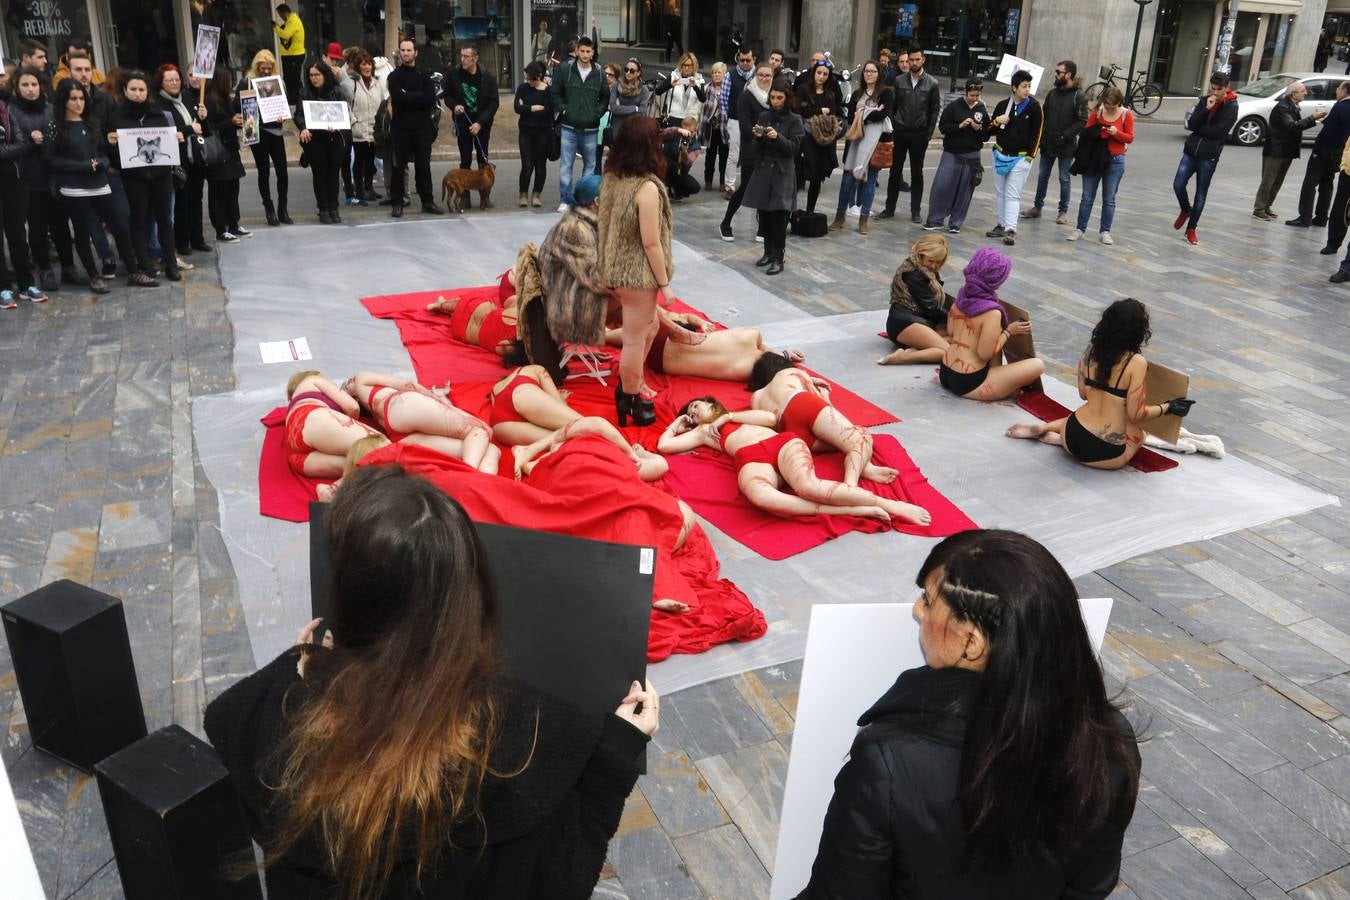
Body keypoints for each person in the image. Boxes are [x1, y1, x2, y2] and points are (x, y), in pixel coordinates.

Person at [204, 464, 656, 897]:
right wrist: (615, 755)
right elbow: (557, 880)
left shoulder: (262, 719)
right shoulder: (523, 749)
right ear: (469, 596)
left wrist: (301, 669)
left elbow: (243, 725)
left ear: (349, 599)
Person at [797, 529, 1140, 898]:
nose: (916, 610)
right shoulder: (1111, 739)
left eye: (928, 602)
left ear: (971, 643)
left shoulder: (889, 764)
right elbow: (1090, 887)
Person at [659, 397, 930, 524]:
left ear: (712, 403)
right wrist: (677, 422)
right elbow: (664, 445)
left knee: (808, 486)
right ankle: (851, 510)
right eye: (690, 413)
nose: (693, 412)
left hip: (781, 444)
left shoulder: (735, 414)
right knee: (761, 497)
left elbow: (770, 418)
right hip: (750, 458)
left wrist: (728, 417)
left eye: (695, 406)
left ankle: (889, 505)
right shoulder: (703, 432)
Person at [1008, 299, 1193, 469]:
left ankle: (1046, 428)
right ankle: (1055, 437)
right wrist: (1168, 407)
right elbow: (1136, 414)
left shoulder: (1090, 351)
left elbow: (1083, 394)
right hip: (1103, 451)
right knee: (1139, 432)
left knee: (1088, 416)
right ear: (1138, 331)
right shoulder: (1136, 362)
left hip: (1072, 433)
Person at [597, 116, 674, 426]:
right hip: (637, 275)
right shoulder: (647, 188)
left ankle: (629, 391)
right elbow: (651, 243)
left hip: (613, 268)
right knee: (634, 340)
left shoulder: (612, 178)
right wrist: (664, 283)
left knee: (646, 329)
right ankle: (629, 398)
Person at [486, 364, 667, 478]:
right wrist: (560, 400)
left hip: (500, 425)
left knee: (565, 439)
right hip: (521, 394)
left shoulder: (495, 391)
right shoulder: (531, 369)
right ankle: (627, 454)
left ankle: (533, 460)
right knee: (583, 427)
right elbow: (557, 402)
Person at [748, 352, 896, 487]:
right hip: (801, 403)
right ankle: (851, 484)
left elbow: (765, 421)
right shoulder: (792, 372)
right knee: (860, 436)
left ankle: (865, 467)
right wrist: (825, 397)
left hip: (789, 430)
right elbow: (820, 403)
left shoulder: (756, 397)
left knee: (841, 442)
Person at [44, 78, 136, 292]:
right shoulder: (56, 126)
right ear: (63, 101)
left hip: (100, 183)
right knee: (82, 232)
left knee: (120, 226)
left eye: (81, 98)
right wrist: (82, 166)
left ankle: (134, 270)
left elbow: (103, 152)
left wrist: (101, 163)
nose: (78, 103)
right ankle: (94, 275)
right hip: (74, 187)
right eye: (73, 99)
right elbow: (51, 160)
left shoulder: (91, 122)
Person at [939, 247, 1043, 401]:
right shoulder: (992, 313)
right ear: (997, 281)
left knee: (992, 338)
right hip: (968, 382)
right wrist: (1008, 332)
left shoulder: (961, 297)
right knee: (1038, 365)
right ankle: (1003, 385)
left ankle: (1000, 379)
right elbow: (985, 354)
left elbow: (950, 331)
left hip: (946, 370)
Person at [342, 371, 499, 474]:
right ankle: (471, 473)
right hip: (401, 407)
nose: (348, 381)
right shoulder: (360, 379)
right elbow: (409, 385)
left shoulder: (370, 414)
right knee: (480, 430)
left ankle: (479, 480)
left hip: (398, 434)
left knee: (491, 450)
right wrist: (453, 409)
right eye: (345, 385)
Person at [107, 70, 181, 282]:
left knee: (165, 220)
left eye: (141, 89)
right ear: (125, 90)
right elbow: (110, 149)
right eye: (133, 89)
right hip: (134, 177)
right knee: (138, 222)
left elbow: (168, 141)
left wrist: (176, 137)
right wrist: (111, 143)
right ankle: (145, 265)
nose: (137, 93)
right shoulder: (116, 117)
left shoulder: (159, 115)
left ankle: (171, 263)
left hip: (161, 175)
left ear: (148, 91)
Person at [13, 68, 77, 291]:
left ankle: (69, 268)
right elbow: (11, 143)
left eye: (34, 85)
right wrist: (29, 141)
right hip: (29, 179)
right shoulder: (12, 112)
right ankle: (45, 269)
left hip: (55, 176)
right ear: (17, 88)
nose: (31, 89)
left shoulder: (51, 110)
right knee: (38, 228)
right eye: (25, 85)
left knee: (61, 226)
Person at [744, 79, 803, 275]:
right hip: (763, 171)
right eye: (773, 97)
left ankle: (778, 257)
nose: (775, 101)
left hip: (782, 173)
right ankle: (768, 253)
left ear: (787, 98)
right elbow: (755, 148)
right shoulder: (764, 116)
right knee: (764, 215)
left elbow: (793, 149)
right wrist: (758, 137)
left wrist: (777, 137)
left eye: (780, 98)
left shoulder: (795, 120)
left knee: (779, 217)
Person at [1172, 71, 1238, 245]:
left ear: (1227, 88)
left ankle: (1191, 229)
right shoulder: (1204, 101)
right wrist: (1206, 109)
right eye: (1213, 88)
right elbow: (1192, 124)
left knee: (1200, 195)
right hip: (1191, 151)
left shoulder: (1231, 107)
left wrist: (1200, 129)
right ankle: (1186, 210)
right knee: (1178, 184)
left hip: (1209, 156)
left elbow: (1218, 132)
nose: (1215, 92)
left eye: (1219, 89)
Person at [154, 64, 211, 258]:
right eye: (169, 80)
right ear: (161, 82)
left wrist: (203, 117)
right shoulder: (159, 104)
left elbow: (200, 128)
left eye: (177, 79)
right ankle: (183, 241)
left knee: (196, 199)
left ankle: (198, 238)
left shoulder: (187, 97)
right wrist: (189, 129)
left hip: (194, 156)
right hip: (176, 160)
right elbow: (166, 132)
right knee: (181, 202)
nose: (174, 83)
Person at [829, 61, 892, 236]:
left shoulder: (886, 93)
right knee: (847, 181)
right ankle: (840, 216)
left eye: (873, 71)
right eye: (866, 71)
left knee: (870, 181)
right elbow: (850, 116)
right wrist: (871, 111)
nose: (869, 74)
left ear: (879, 74)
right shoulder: (857, 93)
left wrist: (863, 113)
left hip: (875, 143)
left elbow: (883, 114)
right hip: (855, 141)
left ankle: (863, 219)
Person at [879, 46, 939, 224]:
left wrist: (928, 135)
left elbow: (934, 110)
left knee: (917, 173)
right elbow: (893, 106)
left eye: (916, 59)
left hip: (919, 134)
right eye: (910, 60)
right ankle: (889, 208)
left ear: (923, 60)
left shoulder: (932, 83)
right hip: (900, 132)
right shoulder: (899, 81)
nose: (913, 63)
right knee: (894, 172)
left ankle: (915, 211)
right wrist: (892, 128)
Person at [1068, 85, 1133, 245]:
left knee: (1109, 198)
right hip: (1094, 158)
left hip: (1115, 160)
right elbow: (1086, 132)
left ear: (1119, 102)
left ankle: (1105, 231)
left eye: (1112, 105)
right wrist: (1100, 131)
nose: (1109, 108)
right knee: (1087, 197)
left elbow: (1130, 137)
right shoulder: (1098, 112)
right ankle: (1080, 229)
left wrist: (1116, 133)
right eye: (1106, 104)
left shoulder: (1126, 114)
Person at [1024, 60, 1087, 225]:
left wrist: (1065, 136)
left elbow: (1082, 121)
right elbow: (1043, 116)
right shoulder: (1052, 94)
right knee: (1042, 176)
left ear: (1069, 75)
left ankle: (1062, 211)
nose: (1056, 74)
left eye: (1059, 72)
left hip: (1066, 146)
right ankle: (1037, 207)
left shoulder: (1078, 95)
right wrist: (1040, 137)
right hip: (1048, 143)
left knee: (1064, 178)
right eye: (1056, 71)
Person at [386, 39, 443, 218]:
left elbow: (430, 99)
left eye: (409, 50)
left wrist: (408, 96)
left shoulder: (424, 75)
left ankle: (427, 201)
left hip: (422, 128)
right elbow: (398, 98)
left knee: (423, 166)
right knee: (398, 167)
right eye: (402, 50)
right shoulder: (394, 77)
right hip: (400, 129)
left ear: (415, 53)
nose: (405, 53)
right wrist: (417, 97)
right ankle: (397, 203)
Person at [923, 78, 988, 234]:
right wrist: (959, 126)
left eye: (977, 96)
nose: (974, 98)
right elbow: (943, 127)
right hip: (951, 152)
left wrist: (979, 128)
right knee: (942, 186)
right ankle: (935, 219)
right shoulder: (954, 106)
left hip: (972, 155)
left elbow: (986, 135)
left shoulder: (982, 109)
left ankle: (956, 222)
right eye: (972, 95)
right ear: (965, 92)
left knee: (965, 190)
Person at [985, 70, 1042, 247]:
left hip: (1021, 158)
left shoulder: (1034, 107)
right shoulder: (1003, 105)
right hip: (1000, 154)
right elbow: (989, 131)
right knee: (1000, 192)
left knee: (1012, 195)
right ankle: (1001, 224)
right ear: (1014, 88)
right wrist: (997, 121)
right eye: (1024, 86)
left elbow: (1037, 133)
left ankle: (1010, 229)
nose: (1027, 90)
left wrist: (1030, 157)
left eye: (1029, 86)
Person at [551, 35, 607, 212]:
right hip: (569, 126)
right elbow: (555, 92)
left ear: (593, 52)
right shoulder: (565, 69)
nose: (584, 54)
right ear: (576, 51)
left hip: (591, 128)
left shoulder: (599, 72)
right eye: (582, 51)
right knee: (566, 165)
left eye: (588, 51)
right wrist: (564, 110)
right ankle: (565, 200)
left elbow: (605, 97)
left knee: (590, 165)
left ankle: (585, 201)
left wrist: (597, 113)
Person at [718, 63, 772, 242]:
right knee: (745, 189)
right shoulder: (746, 96)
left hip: (769, 149)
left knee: (765, 189)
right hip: (751, 149)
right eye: (761, 75)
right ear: (755, 76)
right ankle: (725, 223)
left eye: (768, 75)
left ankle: (762, 228)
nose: (764, 78)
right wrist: (763, 132)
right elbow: (745, 127)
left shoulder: (774, 96)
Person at [880, 234, 954, 366]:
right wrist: (954, 318)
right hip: (904, 323)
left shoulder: (921, 268)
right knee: (948, 352)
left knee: (957, 339)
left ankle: (916, 350)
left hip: (916, 320)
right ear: (921, 254)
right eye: (931, 260)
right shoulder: (914, 273)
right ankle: (903, 357)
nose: (934, 265)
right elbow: (931, 306)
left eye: (938, 262)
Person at [1254, 81, 1322, 221]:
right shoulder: (1283, 107)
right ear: (1293, 94)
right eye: (1302, 91)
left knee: (1277, 181)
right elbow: (1292, 126)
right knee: (1268, 181)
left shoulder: (1292, 105)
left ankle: (1267, 206)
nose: (1305, 93)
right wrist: (1312, 118)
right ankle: (1259, 209)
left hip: (1286, 151)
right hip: (1276, 151)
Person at [1288, 79, 1350, 228]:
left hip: (1325, 151)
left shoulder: (1340, 106)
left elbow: (1327, 131)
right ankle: (1322, 217)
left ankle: (1305, 217)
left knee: (1310, 184)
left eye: (1339, 88)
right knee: (1327, 184)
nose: (1336, 91)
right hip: (1340, 152)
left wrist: (1316, 150)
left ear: (1344, 91)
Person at [296, 58, 350, 224]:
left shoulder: (337, 92)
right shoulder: (304, 93)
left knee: (333, 173)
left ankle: (334, 207)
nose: (314, 78)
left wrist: (338, 126)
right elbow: (299, 114)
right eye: (311, 75)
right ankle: (323, 208)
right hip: (314, 139)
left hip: (335, 137)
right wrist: (303, 128)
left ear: (325, 75)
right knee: (319, 173)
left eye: (317, 75)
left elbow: (345, 114)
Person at [242, 51, 291, 226]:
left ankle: (283, 208)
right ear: (257, 67)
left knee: (282, 171)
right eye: (263, 68)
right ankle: (269, 209)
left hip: (275, 130)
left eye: (269, 68)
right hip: (257, 130)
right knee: (264, 172)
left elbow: (284, 104)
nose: (266, 72)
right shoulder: (247, 82)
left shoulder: (279, 82)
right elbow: (239, 106)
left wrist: (282, 116)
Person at [202, 66, 249, 243]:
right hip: (217, 152)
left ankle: (233, 223)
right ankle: (221, 229)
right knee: (219, 192)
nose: (230, 83)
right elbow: (210, 128)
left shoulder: (225, 99)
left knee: (232, 189)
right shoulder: (209, 101)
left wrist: (237, 122)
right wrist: (231, 121)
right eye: (228, 80)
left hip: (230, 150)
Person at [445, 45, 498, 190]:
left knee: (483, 160)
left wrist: (480, 123)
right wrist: (454, 106)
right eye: (461, 56)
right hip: (463, 123)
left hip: (482, 124)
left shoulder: (487, 76)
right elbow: (447, 95)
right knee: (465, 160)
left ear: (475, 58)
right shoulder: (454, 73)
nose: (462, 59)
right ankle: (464, 194)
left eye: (466, 57)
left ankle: (484, 196)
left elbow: (494, 103)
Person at [795, 60, 843, 215]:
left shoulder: (830, 92)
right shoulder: (803, 89)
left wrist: (818, 111)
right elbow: (798, 110)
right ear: (814, 73)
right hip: (806, 136)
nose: (821, 77)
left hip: (823, 139)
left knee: (817, 178)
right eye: (819, 73)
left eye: (825, 74)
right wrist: (819, 110)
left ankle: (810, 212)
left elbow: (834, 109)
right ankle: (790, 211)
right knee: (798, 175)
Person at [346, 49, 386, 204]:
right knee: (359, 161)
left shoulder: (378, 83)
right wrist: (353, 121)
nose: (367, 67)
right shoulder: (352, 83)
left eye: (369, 64)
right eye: (363, 64)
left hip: (373, 129)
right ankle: (360, 189)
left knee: (370, 162)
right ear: (358, 66)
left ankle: (369, 188)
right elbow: (346, 104)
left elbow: (382, 104)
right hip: (359, 128)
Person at [514, 61, 552, 208]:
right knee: (527, 165)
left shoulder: (548, 91)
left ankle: (537, 194)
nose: (529, 81)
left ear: (540, 76)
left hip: (543, 132)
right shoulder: (522, 88)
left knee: (540, 165)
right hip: (526, 131)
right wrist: (533, 108)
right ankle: (523, 194)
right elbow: (517, 108)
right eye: (528, 78)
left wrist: (526, 107)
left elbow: (548, 111)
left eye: (532, 79)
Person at [722, 49, 756, 194]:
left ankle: (750, 186)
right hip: (735, 120)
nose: (745, 63)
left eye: (748, 60)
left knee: (752, 154)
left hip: (754, 121)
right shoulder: (730, 75)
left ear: (754, 59)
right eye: (742, 60)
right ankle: (730, 186)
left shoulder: (758, 75)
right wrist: (727, 119)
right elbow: (724, 99)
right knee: (734, 155)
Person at [607, 58, 650, 149]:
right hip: (618, 126)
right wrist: (634, 108)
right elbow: (613, 107)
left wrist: (621, 108)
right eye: (626, 69)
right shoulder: (616, 85)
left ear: (638, 73)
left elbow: (642, 111)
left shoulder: (643, 89)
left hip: (635, 127)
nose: (628, 73)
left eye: (632, 71)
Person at [654, 52, 705, 129]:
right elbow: (658, 92)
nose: (686, 68)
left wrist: (695, 87)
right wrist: (670, 85)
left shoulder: (699, 79)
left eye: (689, 65)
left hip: (690, 120)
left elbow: (703, 99)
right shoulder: (674, 76)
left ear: (694, 66)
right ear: (681, 65)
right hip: (673, 117)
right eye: (684, 65)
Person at [702, 62, 730, 191]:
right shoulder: (706, 88)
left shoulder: (729, 89)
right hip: (711, 128)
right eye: (714, 72)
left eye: (719, 72)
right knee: (710, 157)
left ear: (724, 74)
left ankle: (723, 182)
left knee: (724, 158)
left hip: (725, 128)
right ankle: (708, 181)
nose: (716, 75)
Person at [661, 115, 703, 200]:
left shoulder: (696, 145)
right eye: (685, 131)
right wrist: (677, 130)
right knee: (668, 163)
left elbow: (688, 162)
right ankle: (665, 186)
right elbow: (661, 133)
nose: (687, 134)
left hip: (680, 171)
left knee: (694, 187)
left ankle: (677, 189)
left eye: (690, 132)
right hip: (665, 165)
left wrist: (684, 152)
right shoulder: (675, 135)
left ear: (695, 131)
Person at [273, 4, 306, 104]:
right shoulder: (289, 22)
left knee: (294, 79)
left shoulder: (293, 21)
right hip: (289, 55)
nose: (280, 17)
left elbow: (285, 34)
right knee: (289, 79)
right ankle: (292, 99)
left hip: (295, 55)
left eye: (280, 15)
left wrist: (276, 27)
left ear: (285, 12)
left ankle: (300, 99)